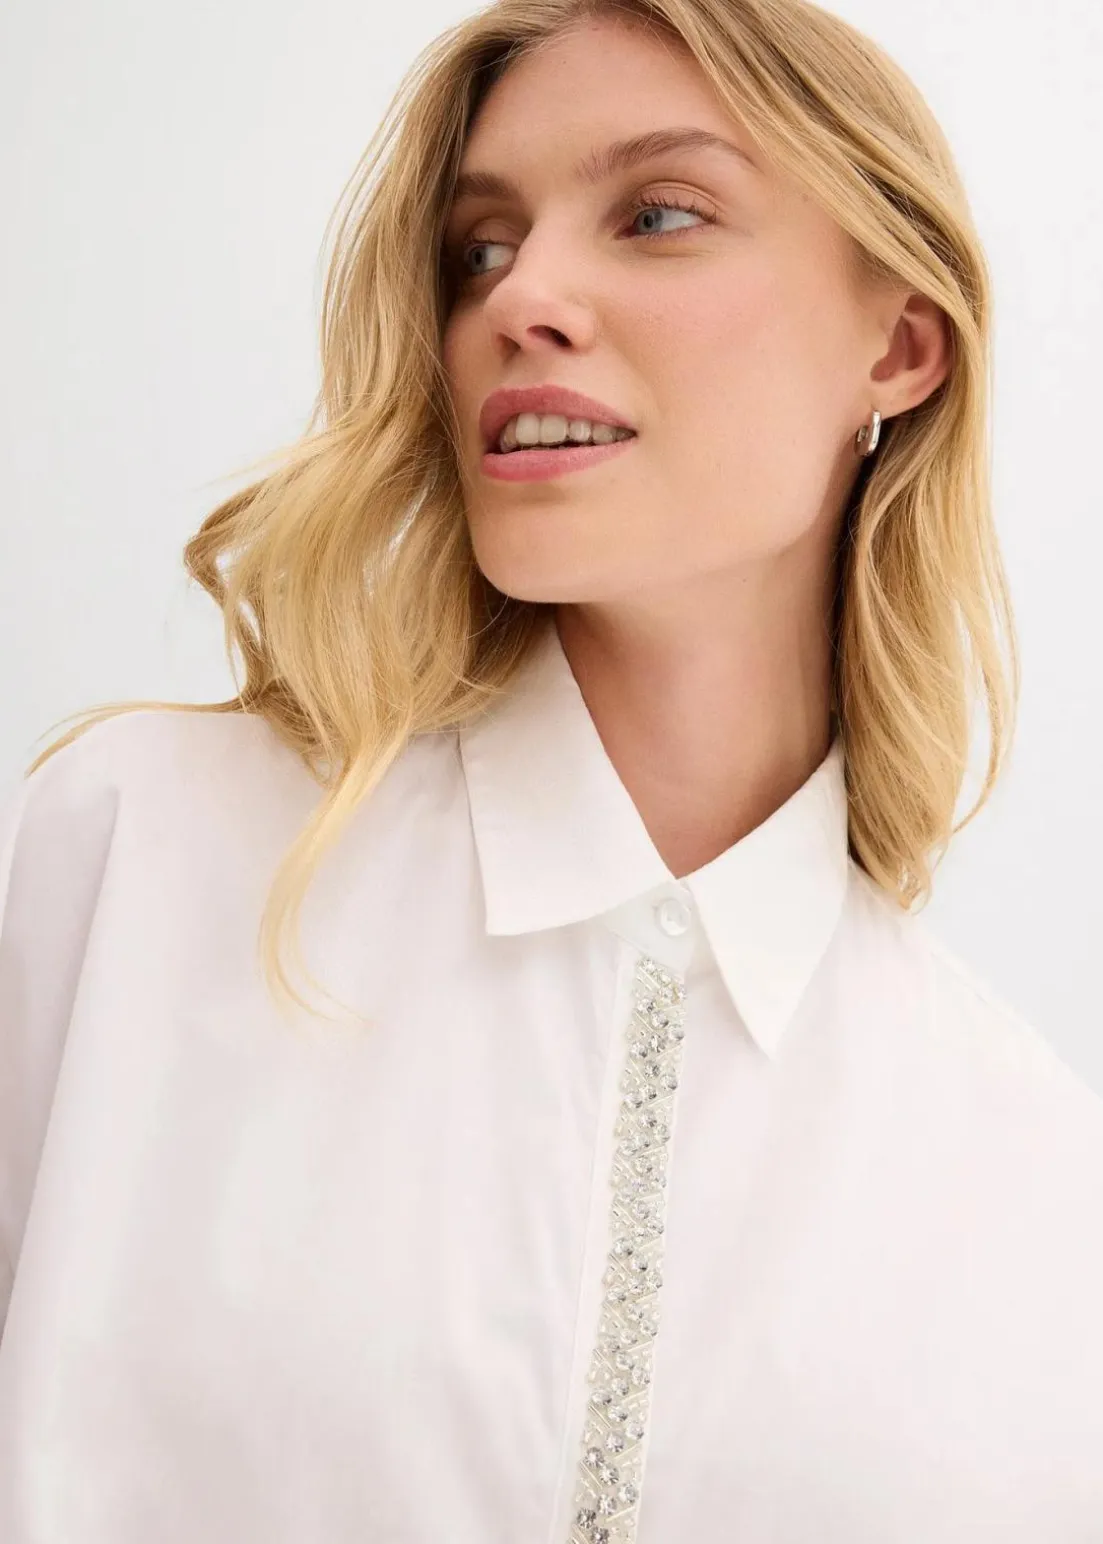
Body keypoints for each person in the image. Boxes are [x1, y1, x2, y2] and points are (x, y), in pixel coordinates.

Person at [1, 0, 1101, 1539]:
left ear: (897, 347)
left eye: (658, 214)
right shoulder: (143, 856)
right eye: (479, 248)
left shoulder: (1036, 1178)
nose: (522, 299)